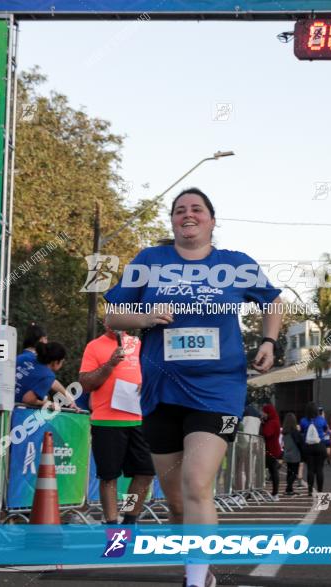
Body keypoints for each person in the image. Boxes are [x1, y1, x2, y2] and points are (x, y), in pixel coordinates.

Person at [105, 188, 283, 587]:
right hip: (161, 391)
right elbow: (113, 315)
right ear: (172, 221)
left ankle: (196, 580)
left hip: (217, 389)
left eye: (197, 209)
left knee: (198, 483)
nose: (188, 215)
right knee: (177, 503)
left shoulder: (235, 264)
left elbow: (273, 302)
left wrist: (269, 342)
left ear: (211, 221)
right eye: (180, 210)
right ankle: (201, 569)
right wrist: (145, 317)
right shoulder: (150, 260)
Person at [79, 324, 155, 525]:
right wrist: (110, 364)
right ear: (106, 321)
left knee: (145, 473)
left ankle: (129, 519)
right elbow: (86, 383)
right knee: (109, 477)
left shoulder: (140, 345)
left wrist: (147, 381)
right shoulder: (94, 346)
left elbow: (156, 373)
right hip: (107, 421)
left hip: (139, 419)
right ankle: (112, 524)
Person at [14, 341, 67, 408]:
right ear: (56, 362)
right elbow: (27, 399)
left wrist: (69, 398)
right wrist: (48, 403)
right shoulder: (48, 376)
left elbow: (53, 383)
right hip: (12, 411)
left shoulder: (26, 356)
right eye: (62, 361)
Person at [299, 402, 328, 497]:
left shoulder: (303, 421)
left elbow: (302, 431)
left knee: (310, 469)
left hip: (308, 447)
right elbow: (326, 430)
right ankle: (320, 490)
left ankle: (310, 490)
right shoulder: (321, 420)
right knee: (320, 469)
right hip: (320, 446)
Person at [260, 403, 282, 501]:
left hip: (271, 450)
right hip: (273, 449)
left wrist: (262, 424)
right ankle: (274, 493)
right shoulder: (274, 420)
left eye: (264, 412)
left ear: (268, 412)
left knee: (273, 472)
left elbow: (266, 433)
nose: (262, 414)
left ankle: (275, 494)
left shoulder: (272, 422)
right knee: (273, 472)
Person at [282, 412, 303, 496]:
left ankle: (289, 490)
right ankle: (288, 487)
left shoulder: (284, 433)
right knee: (295, 473)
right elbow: (300, 443)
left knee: (289, 472)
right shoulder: (295, 432)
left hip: (287, 454)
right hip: (295, 454)